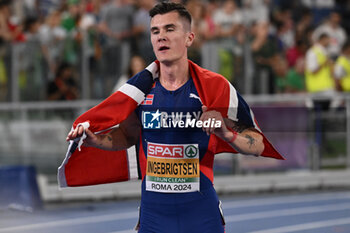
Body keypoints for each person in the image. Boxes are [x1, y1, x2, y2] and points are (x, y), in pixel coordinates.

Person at [66, 2, 281, 232]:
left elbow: (257, 144)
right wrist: (96, 140)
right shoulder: (139, 91)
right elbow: (128, 136)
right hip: (154, 214)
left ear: (189, 38)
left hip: (200, 212)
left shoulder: (214, 87)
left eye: (170, 29)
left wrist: (226, 133)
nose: (161, 37)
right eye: (155, 31)